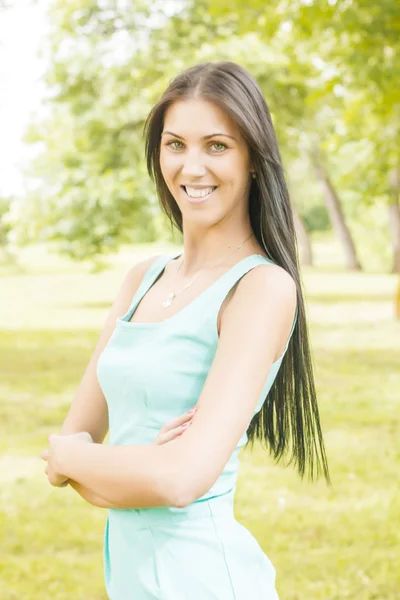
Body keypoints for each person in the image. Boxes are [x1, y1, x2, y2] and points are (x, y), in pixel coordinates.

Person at [41, 60, 330, 599]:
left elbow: (178, 481)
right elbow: (77, 434)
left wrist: (81, 463)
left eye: (217, 145)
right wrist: (130, 466)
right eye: (175, 144)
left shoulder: (261, 287)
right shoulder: (142, 279)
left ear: (252, 159)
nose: (192, 167)